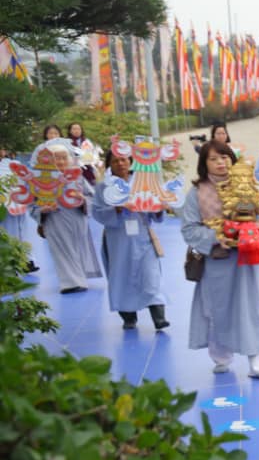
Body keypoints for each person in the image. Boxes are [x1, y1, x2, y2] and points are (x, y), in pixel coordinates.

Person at [180, 141, 259, 380]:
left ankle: (258, 364)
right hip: (217, 263)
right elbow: (189, 229)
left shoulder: (250, 186)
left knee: (253, 310)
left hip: (248, 260)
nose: (220, 163)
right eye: (213, 159)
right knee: (217, 310)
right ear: (204, 164)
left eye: (224, 157)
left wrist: (257, 234)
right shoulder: (197, 192)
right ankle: (221, 358)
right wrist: (218, 236)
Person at [87, 145, 168, 331]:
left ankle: (159, 317)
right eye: (115, 161)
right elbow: (97, 212)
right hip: (118, 240)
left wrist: (159, 209)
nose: (120, 163)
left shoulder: (144, 183)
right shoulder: (103, 187)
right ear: (109, 164)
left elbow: (155, 210)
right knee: (121, 277)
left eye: (123, 159)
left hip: (143, 237)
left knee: (150, 275)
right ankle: (128, 317)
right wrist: (116, 209)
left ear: (131, 161)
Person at [29, 135, 102, 294]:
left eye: (63, 158)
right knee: (61, 249)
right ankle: (70, 283)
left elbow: (92, 197)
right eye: (56, 158)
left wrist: (83, 200)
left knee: (78, 248)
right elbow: (31, 203)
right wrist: (41, 210)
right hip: (54, 220)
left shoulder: (78, 178)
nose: (60, 162)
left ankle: (80, 278)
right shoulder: (40, 180)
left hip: (77, 218)